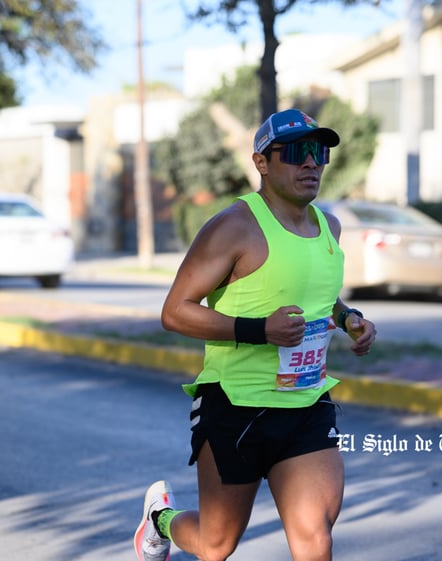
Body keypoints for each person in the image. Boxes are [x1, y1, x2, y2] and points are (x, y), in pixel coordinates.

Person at [134, 109, 377, 561]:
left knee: (315, 538)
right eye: (297, 153)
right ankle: (160, 521)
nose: (312, 164)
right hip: (236, 405)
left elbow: (322, 299)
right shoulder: (234, 227)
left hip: (306, 404)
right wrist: (259, 331)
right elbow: (175, 312)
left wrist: (349, 321)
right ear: (261, 162)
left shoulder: (330, 227)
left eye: (319, 152)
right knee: (215, 544)